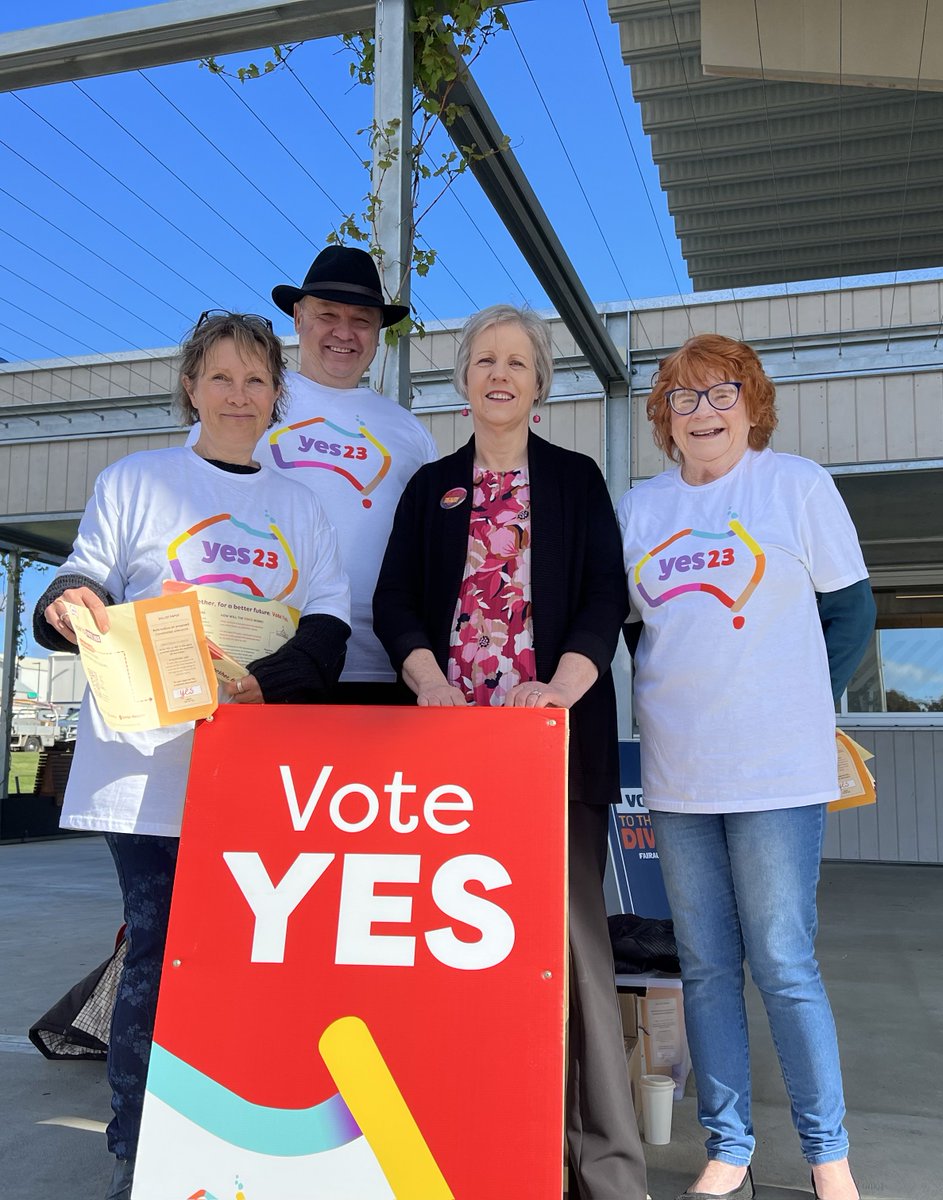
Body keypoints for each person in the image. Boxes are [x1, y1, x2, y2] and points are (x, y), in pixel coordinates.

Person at [33, 312, 351, 1200]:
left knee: (252, 962)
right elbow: (83, 576)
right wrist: (66, 605)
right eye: (221, 379)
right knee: (161, 949)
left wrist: (264, 683)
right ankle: (138, 1156)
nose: (239, 397)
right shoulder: (136, 480)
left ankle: (231, 1143)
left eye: (256, 382)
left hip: (255, 766)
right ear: (190, 386)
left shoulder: (301, 504)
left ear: (277, 395)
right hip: (146, 769)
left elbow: (327, 626)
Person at [373, 304, 649, 1200]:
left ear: (539, 384)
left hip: (552, 750)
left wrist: (561, 687)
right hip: (449, 762)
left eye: (519, 363)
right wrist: (427, 678)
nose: (500, 374)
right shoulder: (430, 486)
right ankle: (471, 1147)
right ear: (462, 380)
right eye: (485, 360)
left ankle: (605, 1170)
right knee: (456, 954)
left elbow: (607, 594)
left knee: (576, 957)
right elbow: (396, 603)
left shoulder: (574, 479)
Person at [617, 334, 875, 1200]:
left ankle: (827, 1154)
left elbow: (851, 612)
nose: (704, 413)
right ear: (665, 418)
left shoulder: (796, 486)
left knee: (783, 959)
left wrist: (805, 702)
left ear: (752, 401)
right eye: (683, 400)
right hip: (682, 774)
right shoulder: (641, 510)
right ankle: (729, 1148)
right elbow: (633, 631)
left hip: (776, 775)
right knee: (705, 966)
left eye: (721, 393)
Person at [187, 246, 437, 703]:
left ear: (379, 331)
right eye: (327, 315)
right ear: (299, 318)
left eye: (362, 319)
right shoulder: (249, 405)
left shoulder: (410, 433)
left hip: (381, 666)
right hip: (259, 667)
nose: (344, 332)